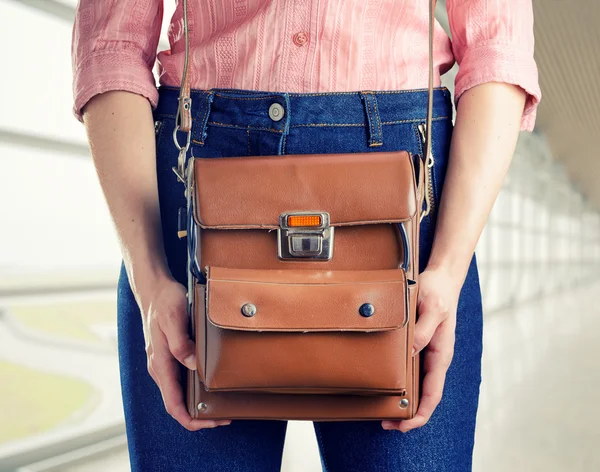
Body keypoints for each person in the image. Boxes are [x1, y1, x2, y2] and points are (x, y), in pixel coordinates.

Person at [71, 0, 541, 470]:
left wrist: (448, 265)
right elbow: (112, 45)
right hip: (201, 179)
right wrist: (150, 277)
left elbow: (497, 42)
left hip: (402, 187)